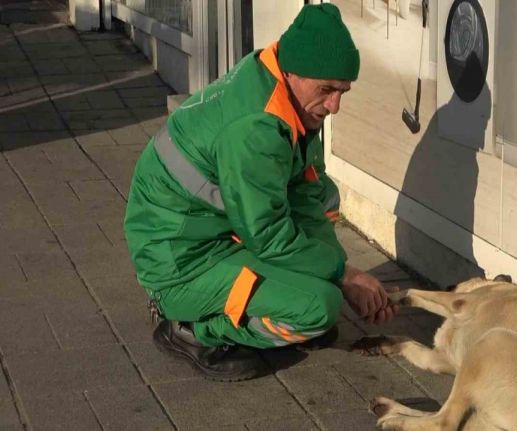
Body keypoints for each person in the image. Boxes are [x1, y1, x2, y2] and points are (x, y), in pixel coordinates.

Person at [123, 3, 397, 382]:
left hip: (213, 233)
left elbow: (304, 193)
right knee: (319, 306)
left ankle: (289, 301)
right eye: (328, 90)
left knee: (325, 198)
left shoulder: (285, 91)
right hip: (180, 264)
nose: (335, 105)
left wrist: (336, 272)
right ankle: (190, 328)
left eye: (343, 91)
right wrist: (343, 276)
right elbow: (268, 235)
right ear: (296, 72)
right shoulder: (257, 128)